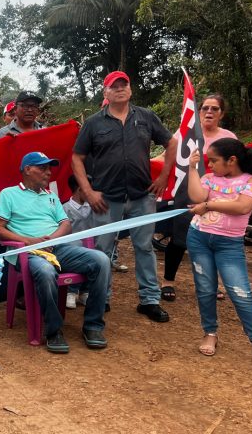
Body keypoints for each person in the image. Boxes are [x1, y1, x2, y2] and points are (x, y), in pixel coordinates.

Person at [72, 71, 177, 323]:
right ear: (105, 92)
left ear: (130, 89)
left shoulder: (146, 116)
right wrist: (87, 191)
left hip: (142, 195)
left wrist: (163, 177)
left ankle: (150, 300)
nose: (120, 89)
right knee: (103, 250)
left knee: (144, 247)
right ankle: (102, 298)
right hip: (106, 197)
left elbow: (171, 143)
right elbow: (77, 157)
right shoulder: (94, 123)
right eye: (114, 86)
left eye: (124, 85)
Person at [0, 152, 110, 353]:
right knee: (46, 271)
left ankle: (93, 326)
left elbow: (65, 223)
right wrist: (30, 241)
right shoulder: (8, 194)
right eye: (43, 168)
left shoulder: (51, 196)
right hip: (27, 253)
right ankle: (54, 330)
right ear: (27, 169)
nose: (48, 172)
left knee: (102, 260)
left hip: (58, 248)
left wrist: (53, 238)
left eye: (49, 168)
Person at [186, 138, 252, 368]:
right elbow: (196, 197)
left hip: (229, 245)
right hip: (198, 238)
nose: (210, 165)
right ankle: (210, 333)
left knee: (240, 292)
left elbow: (243, 206)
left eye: (213, 161)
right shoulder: (209, 178)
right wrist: (192, 169)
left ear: (231, 160)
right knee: (205, 289)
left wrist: (209, 205)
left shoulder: (251, 181)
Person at [161, 94, 237, 302]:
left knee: (213, 239)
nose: (209, 112)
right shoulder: (186, 132)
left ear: (222, 113)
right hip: (187, 191)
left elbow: (236, 166)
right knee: (179, 238)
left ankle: (210, 284)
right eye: (205, 108)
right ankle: (168, 281)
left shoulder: (228, 138)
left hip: (217, 196)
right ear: (199, 111)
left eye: (215, 109)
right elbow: (168, 155)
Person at [62, 175, 95, 309]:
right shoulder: (64, 209)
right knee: (75, 263)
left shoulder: (93, 207)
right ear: (80, 189)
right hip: (73, 248)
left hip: (91, 246)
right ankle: (71, 291)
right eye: (89, 189)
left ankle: (84, 292)